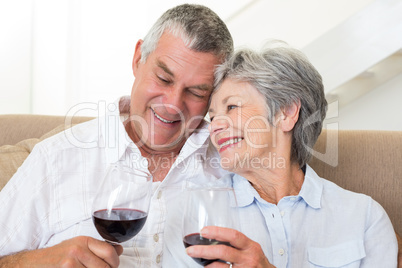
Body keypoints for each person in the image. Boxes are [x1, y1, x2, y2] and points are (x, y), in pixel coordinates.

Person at [0, 4, 233, 267]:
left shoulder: (235, 164)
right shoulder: (55, 159)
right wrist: (30, 262)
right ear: (137, 59)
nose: (172, 104)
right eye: (163, 78)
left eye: (196, 93)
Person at [163, 41, 398, 267]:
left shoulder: (364, 218)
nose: (215, 127)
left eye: (232, 107)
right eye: (212, 117)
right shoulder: (193, 214)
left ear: (286, 113)